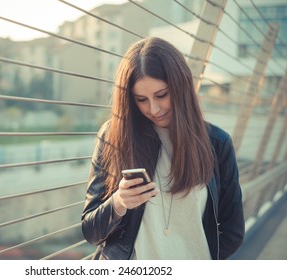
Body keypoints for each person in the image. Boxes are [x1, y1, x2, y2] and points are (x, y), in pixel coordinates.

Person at [81, 37, 245, 260]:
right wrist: (119, 202)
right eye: (141, 99)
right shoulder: (114, 136)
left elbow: (233, 232)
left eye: (161, 95)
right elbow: (91, 231)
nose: (154, 109)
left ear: (181, 86)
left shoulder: (217, 143)